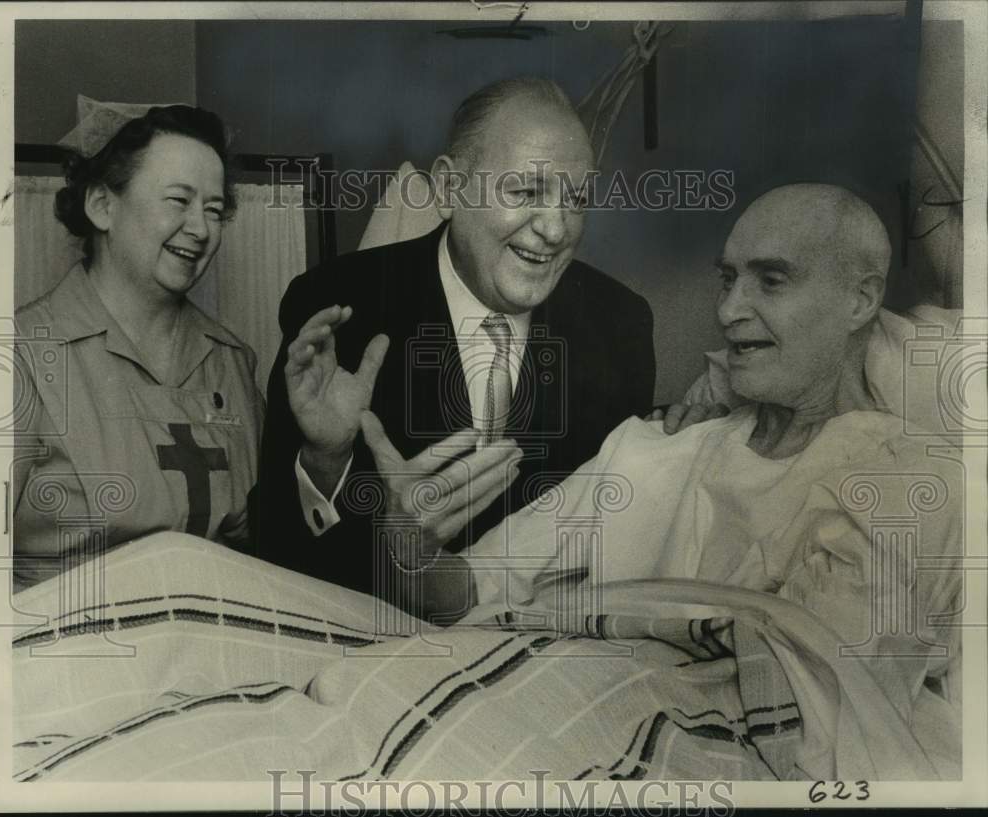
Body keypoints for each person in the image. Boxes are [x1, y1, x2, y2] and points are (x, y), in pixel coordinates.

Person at [389, 182, 962, 717]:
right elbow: (463, 592)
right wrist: (407, 542)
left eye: (771, 280)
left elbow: (822, 711)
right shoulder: (657, 449)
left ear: (861, 300)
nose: (728, 310)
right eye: (727, 279)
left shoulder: (908, 484)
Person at [255, 77, 656, 596]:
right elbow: (276, 552)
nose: (556, 230)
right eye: (524, 191)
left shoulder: (620, 323)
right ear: (448, 190)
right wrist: (324, 463)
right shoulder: (339, 305)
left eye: (576, 199)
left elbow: (614, 546)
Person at [12, 105, 263, 592]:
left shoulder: (232, 361)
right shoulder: (20, 356)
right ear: (102, 206)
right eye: (179, 201)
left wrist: (321, 458)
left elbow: (262, 548)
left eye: (214, 209)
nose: (201, 228)